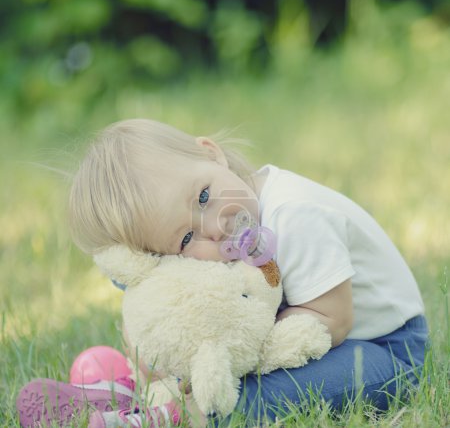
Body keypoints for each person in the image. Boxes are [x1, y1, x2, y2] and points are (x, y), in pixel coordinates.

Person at [17, 119, 428, 427]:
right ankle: (126, 393)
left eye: (203, 196)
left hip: (382, 347)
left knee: (259, 397)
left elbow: (332, 321)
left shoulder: (297, 216)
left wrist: (226, 357)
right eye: (184, 241)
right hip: (325, 337)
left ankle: (176, 416)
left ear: (211, 153)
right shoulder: (219, 240)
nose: (213, 226)